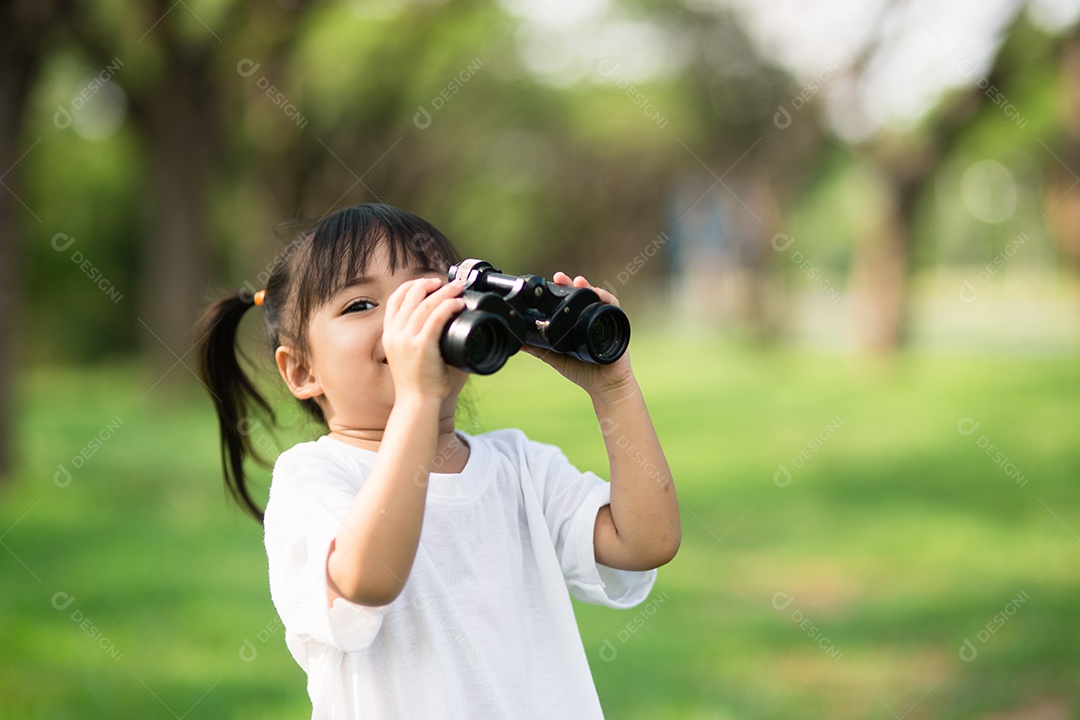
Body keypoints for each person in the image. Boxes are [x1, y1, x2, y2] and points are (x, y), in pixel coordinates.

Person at [195, 203, 681, 719]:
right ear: (300, 370)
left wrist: (613, 388)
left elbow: (647, 541)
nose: (408, 318)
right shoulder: (313, 479)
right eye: (360, 305)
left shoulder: (518, 468)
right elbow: (369, 578)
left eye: (428, 292)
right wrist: (417, 401)